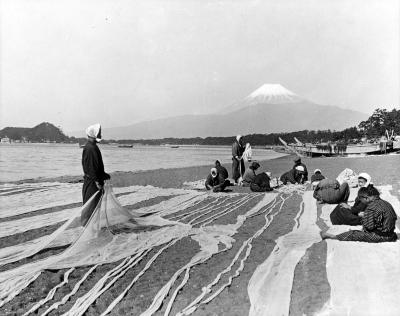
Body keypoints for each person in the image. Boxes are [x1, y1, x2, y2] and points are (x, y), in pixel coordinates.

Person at [321, 186, 398, 242]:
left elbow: (369, 227)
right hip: (392, 235)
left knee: (353, 234)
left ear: (366, 198)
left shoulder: (371, 207)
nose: (362, 202)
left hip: (383, 236)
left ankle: (333, 236)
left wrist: (364, 219)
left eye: (361, 200)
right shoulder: (386, 203)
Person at [81, 123, 111, 226]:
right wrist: (97, 181)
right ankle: (88, 227)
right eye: (99, 132)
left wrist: (104, 175)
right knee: (91, 205)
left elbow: (96, 166)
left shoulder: (92, 146)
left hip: (93, 180)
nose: (100, 134)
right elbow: (91, 167)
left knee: (94, 205)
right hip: (92, 182)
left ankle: (91, 226)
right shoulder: (91, 148)